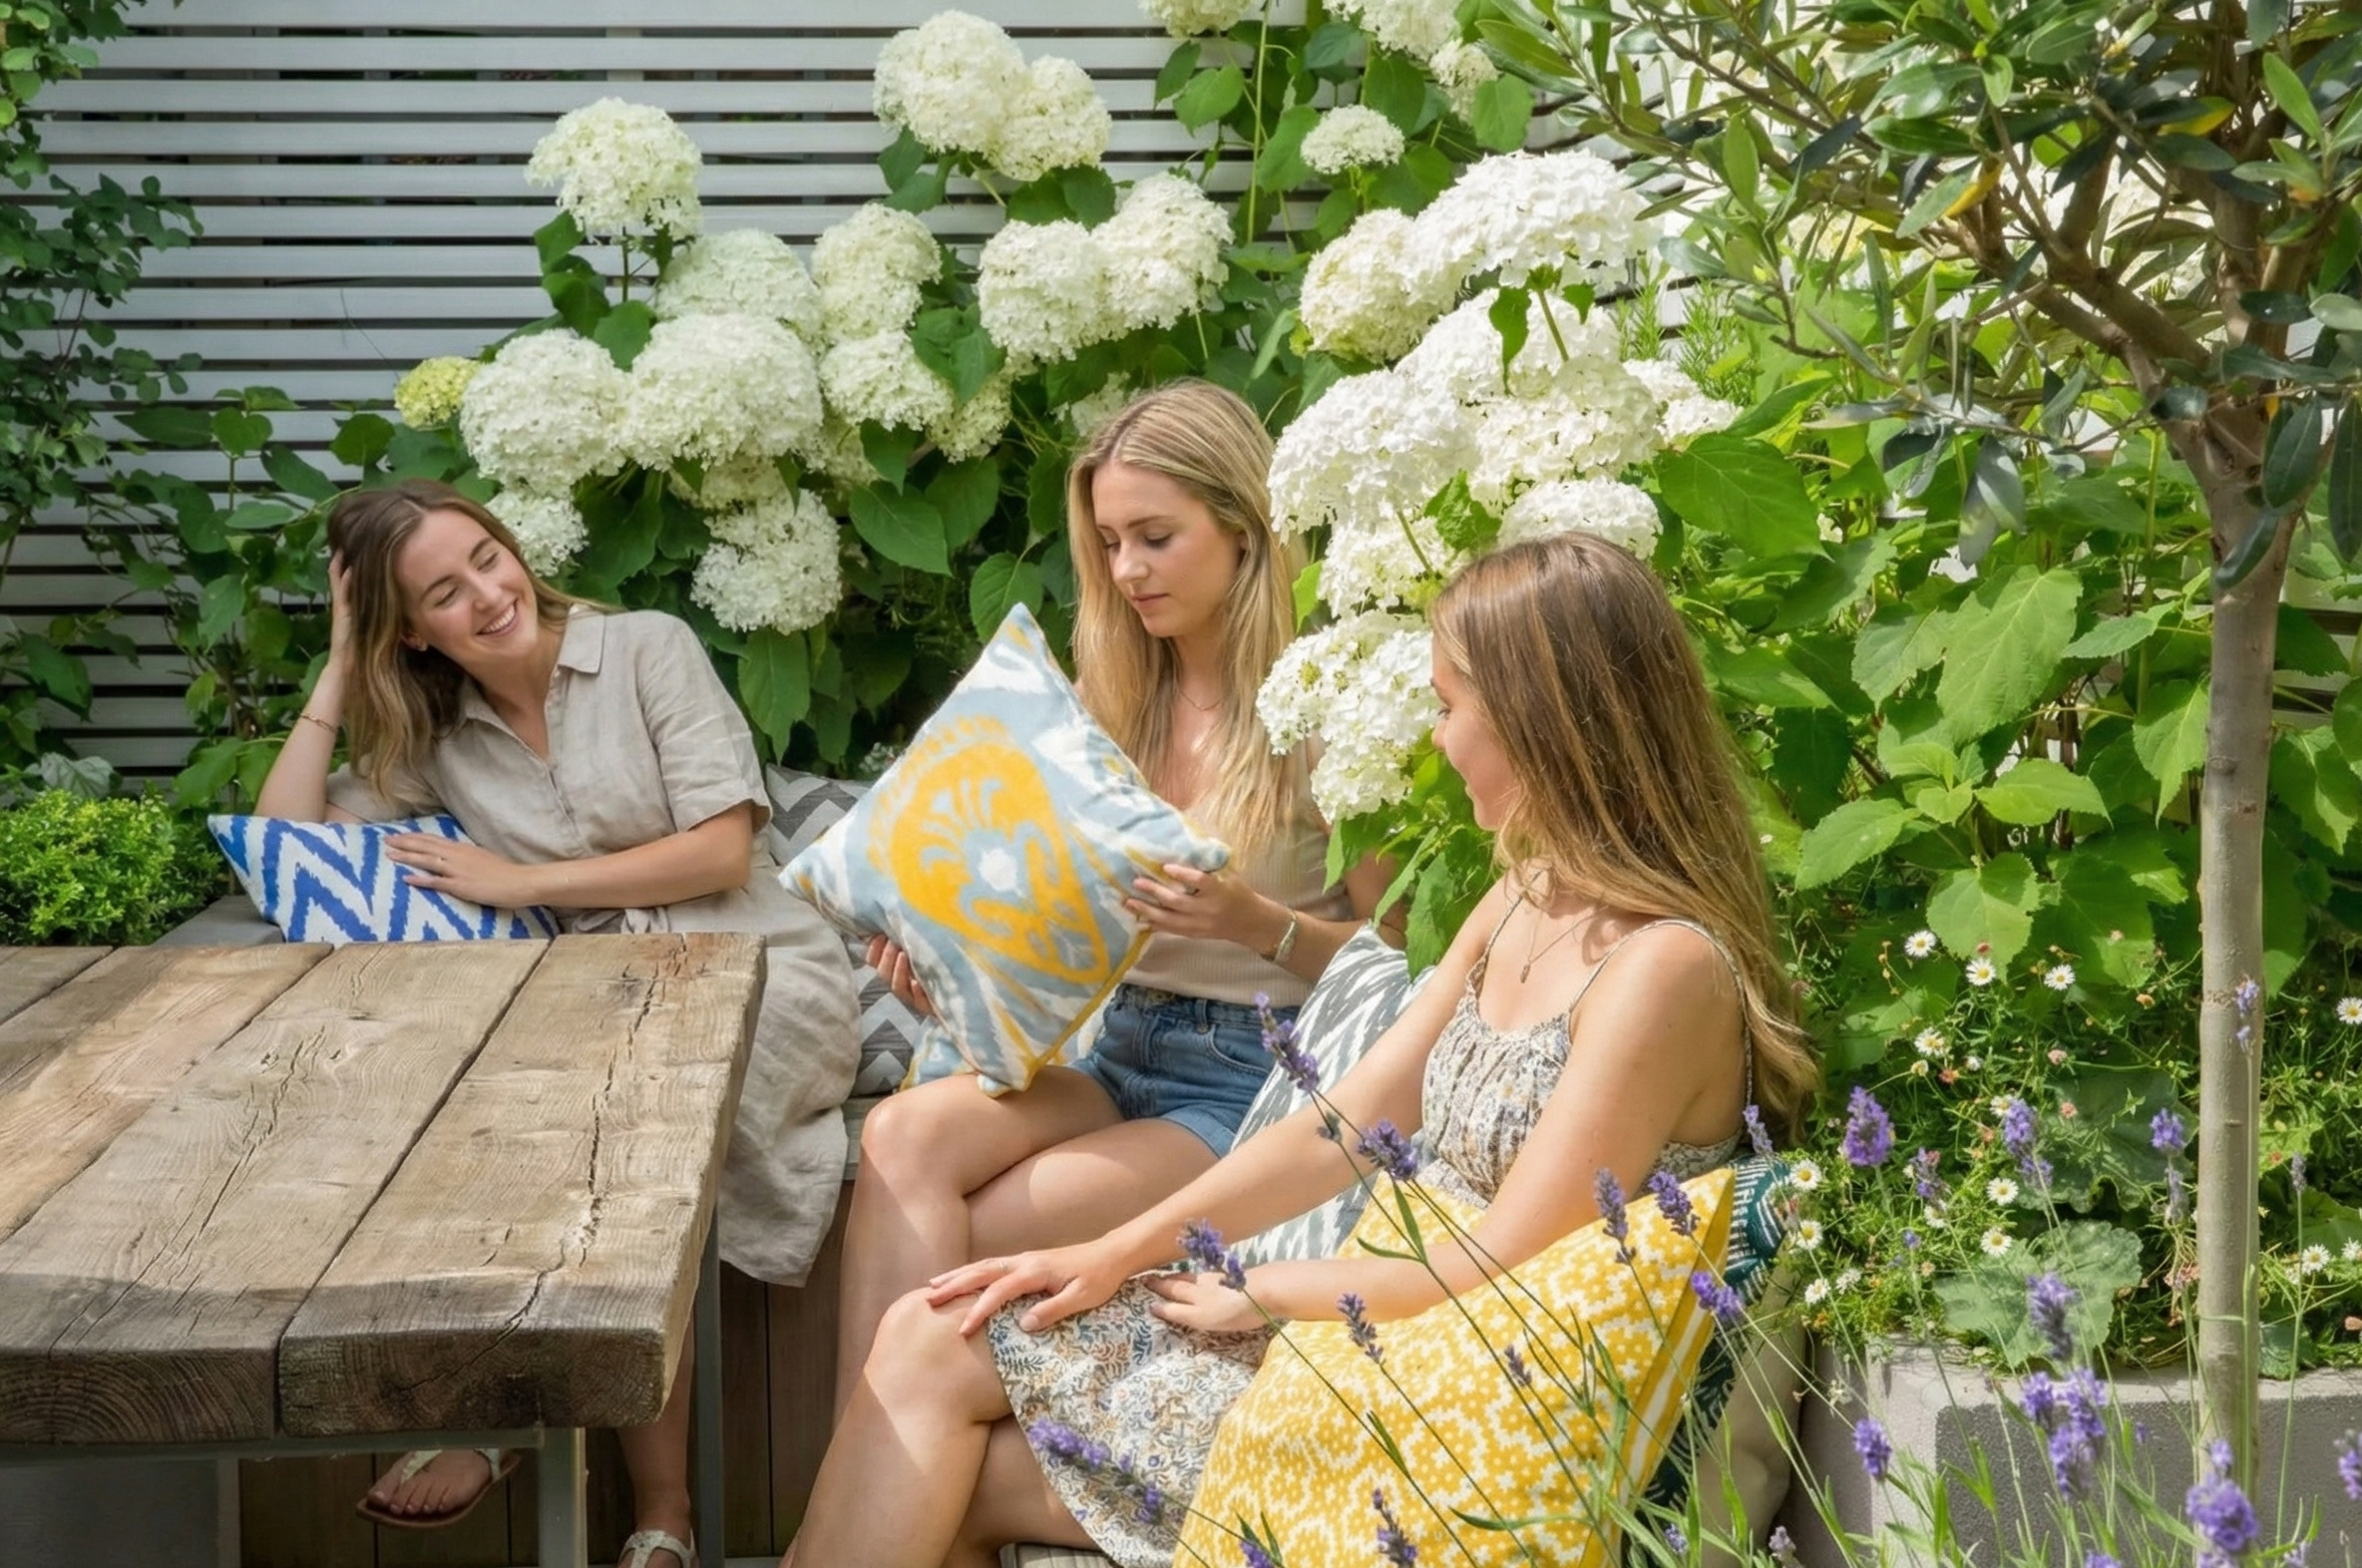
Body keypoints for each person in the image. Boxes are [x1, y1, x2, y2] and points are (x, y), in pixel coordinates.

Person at [784, 532, 1821, 1568]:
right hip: (1372, 1341)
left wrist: (1266, 1291)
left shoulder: (1660, 971)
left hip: (1448, 1421)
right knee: (936, 1336)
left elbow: (1507, 1259)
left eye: (1451, 707)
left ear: (1542, 721)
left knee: (947, 1443)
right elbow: (1340, 1128)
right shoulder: (1524, 894)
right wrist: (1107, 1256)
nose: (1436, 737)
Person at [255, 479, 861, 1568]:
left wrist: (518, 877)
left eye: (487, 556)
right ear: (413, 634)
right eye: (444, 592)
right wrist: (341, 663)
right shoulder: (440, 736)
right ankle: (636, 1503)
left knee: (622, 1150)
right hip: (599, 1001)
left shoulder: (645, 649)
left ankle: (556, 1445)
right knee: (500, 1121)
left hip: (753, 968)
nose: (489, 594)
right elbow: (283, 841)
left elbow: (722, 851)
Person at [836, 379, 1391, 1417]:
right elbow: (1048, 922)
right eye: (1108, 544)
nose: (1128, 571)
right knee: (900, 1136)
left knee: (972, 1230)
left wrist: (1252, 922)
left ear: (1244, 527)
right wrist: (952, 971)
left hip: (1248, 1079)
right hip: (1112, 1046)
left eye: (1154, 537)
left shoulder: (1321, 706)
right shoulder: (1108, 701)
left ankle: (886, 1494)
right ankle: (870, 1484)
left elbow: (1400, 964)